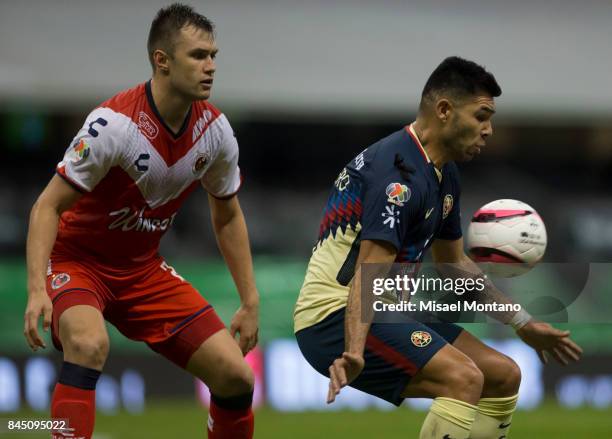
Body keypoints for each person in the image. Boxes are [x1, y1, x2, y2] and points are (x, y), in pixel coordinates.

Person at [294, 56, 583, 439]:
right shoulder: (398, 176)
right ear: (444, 110)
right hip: (334, 317)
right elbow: (371, 273)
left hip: (382, 312)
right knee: (462, 378)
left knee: (503, 375)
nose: (489, 130)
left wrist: (523, 324)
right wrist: (356, 351)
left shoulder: (444, 174)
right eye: (481, 116)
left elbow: (454, 263)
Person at [23, 4, 258, 438]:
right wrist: (38, 288)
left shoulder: (217, 133)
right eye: (198, 56)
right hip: (77, 263)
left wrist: (249, 300)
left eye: (213, 56)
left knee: (236, 377)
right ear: (161, 60)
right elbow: (46, 207)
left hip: (142, 271)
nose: (210, 67)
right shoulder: (112, 126)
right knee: (89, 344)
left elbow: (227, 216)